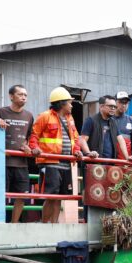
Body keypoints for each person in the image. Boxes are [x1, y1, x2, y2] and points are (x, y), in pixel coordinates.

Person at [29, 87, 83, 223]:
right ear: (61, 103)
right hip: (49, 162)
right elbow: (34, 135)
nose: (71, 105)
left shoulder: (70, 119)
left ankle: (54, 225)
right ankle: (45, 225)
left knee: (60, 196)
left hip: (66, 163)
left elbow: (75, 139)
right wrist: (34, 148)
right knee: (51, 195)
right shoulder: (44, 116)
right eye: (69, 102)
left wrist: (77, 150)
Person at [0, 84, 34, 222]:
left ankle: (13, 224)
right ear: (11, 96)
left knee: (22, 196)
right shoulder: (1, 112)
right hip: (2, 162)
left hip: (21, 163)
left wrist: (28, 146)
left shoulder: (29, 115)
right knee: (0, 194)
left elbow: (30, 136)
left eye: (25, 95)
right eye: (20, 94)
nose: (24, 97)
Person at [79, 95, 122, 159]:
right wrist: (88, 153)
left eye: (114, 106)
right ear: (101, 106)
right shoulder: (91, 120)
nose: (113, 108)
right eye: (110, 106)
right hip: (94, 162)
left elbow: (121, 140)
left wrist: (127, 157)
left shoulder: (114, 122)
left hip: (111, 163)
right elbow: (82, 140)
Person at [114, 91, 132, 161]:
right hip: (109, 159)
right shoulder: (108, 119)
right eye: (121, 102)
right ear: (115, 102)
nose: (124, 105)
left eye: (126, 103)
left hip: (124, 160)